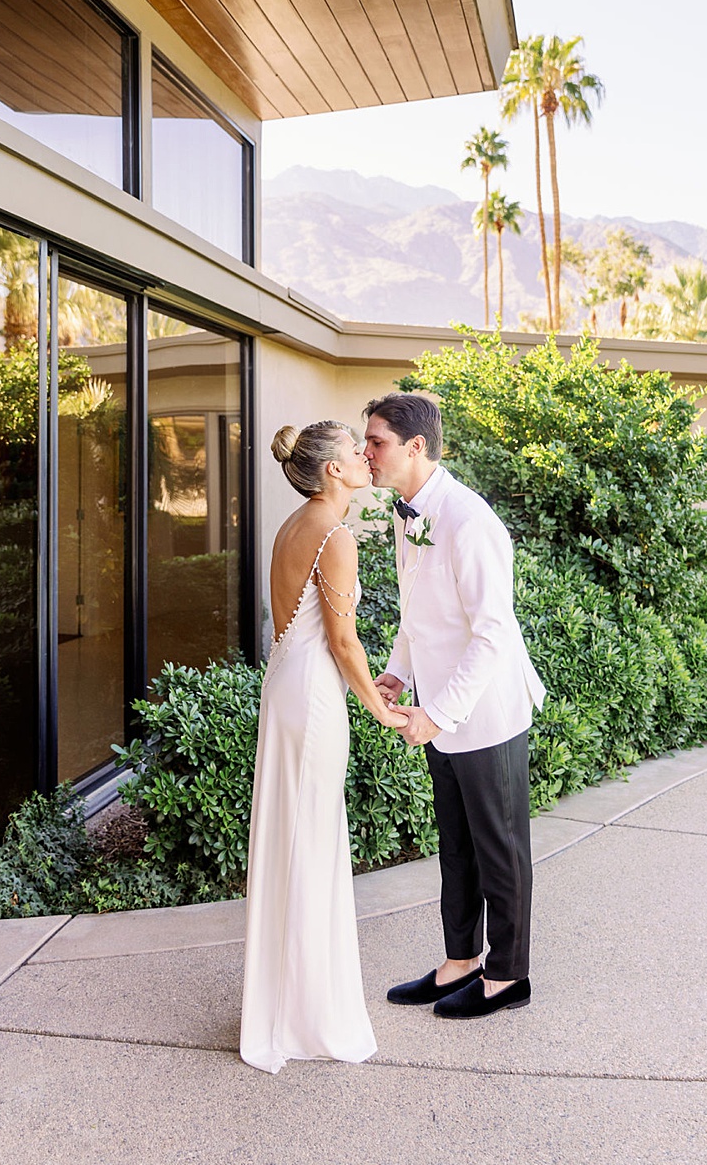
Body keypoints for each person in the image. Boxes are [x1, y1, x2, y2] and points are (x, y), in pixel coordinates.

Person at [364, 392, 546, 1020]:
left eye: (376, 442)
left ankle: (508, 976)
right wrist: (397, 671)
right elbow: (416, 609)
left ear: (415, 447)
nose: (366, 453)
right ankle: (461, 961)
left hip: (484, 712)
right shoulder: (409, 514)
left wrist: (438, 714)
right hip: (434, 709)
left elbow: (492, 634)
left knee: (500, 848)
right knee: (457, 846)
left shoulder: (470, 521)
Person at [241, 421, 411, 1074]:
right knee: (311, 842)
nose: (367, 457)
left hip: (285, 687)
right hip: (312, 699)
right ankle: (309, 1015)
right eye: (354, 451)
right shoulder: (334, 535)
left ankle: (284, 1007)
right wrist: (382, 710)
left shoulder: (292, 525)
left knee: (293, 841)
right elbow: (343, 642)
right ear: (333, 471)